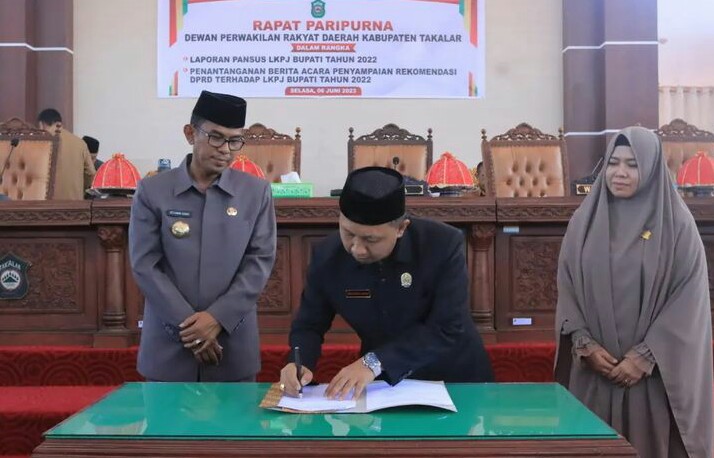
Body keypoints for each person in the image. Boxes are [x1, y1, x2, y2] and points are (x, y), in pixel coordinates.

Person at [554, 126, 713, 457]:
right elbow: (567, 287)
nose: (620, 173)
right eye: (613, 163)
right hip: (596, 369)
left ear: (652, 168)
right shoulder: (584, 221)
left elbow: (688, 302)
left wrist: (645, 356)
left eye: (632, 164)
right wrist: (583, 342)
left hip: (651, 376)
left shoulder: (677, 226)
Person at [280, 166, 493, 400]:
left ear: (401, 228)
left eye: (371, 239)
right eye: (348, 233)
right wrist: (299, 362)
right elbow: (309, 324)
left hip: (455, 380)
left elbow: (446, 327)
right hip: (383, 388)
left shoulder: (442, 245)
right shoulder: (327, 256)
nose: (357, 249)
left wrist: (374, 362)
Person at [128, 90, 277, 382]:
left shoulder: (255, 192)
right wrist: (191, 328)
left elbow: (259, 262)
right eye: (216, 137)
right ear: (190, 133)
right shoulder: (153, 191)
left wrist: (217, 319)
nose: (225, 149)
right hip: (168, 348)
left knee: (235, 414)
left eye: (234, 140)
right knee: (165, 414)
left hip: (231, 344)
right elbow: (145, 265)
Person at [37, 109, 95, 200]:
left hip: (48, 204)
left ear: (41, 124)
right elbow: (91, 173)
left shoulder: (41, 143)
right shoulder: (80, 143)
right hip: (76, 203)